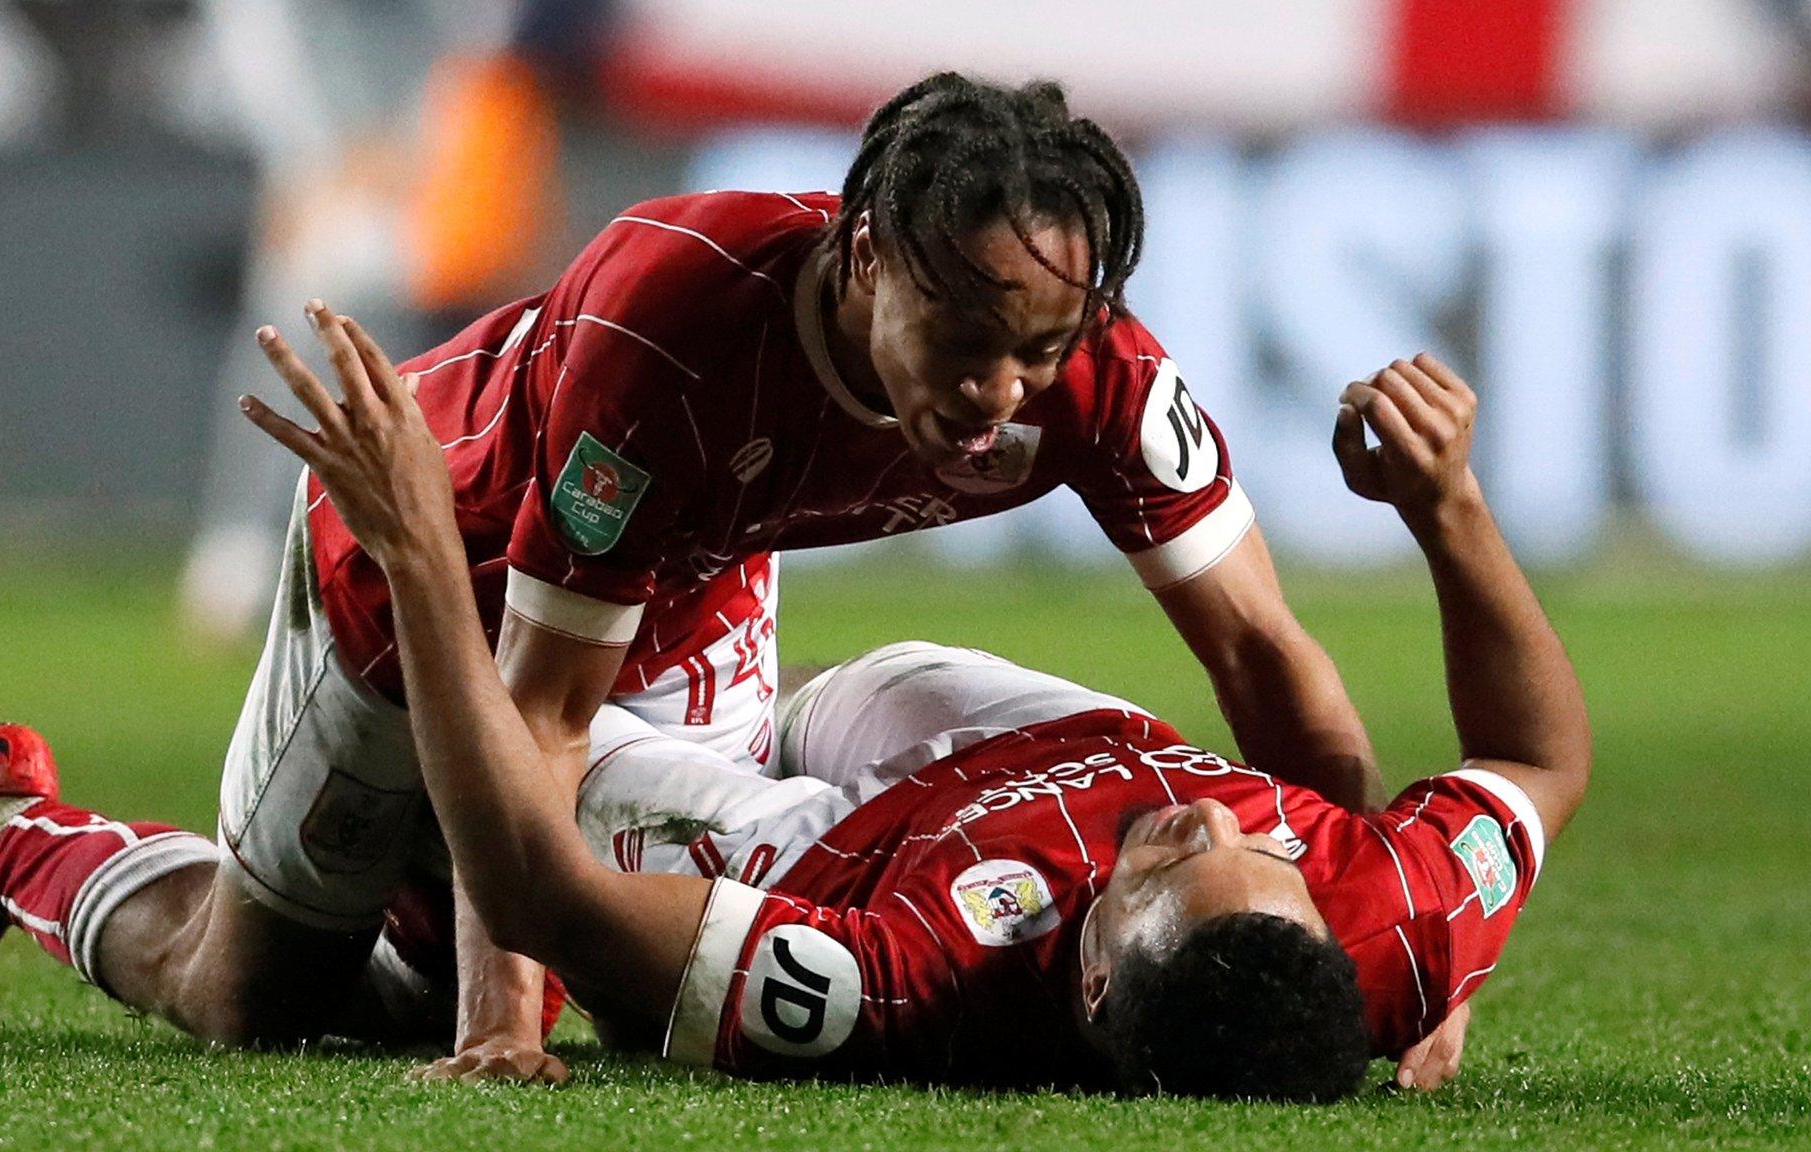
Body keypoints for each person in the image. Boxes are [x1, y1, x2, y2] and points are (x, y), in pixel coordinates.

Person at [0, 73, 1380, 1082]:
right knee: (247, 997)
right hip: (421, 564)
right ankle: (5, 834)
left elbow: (1264, 662)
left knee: (606, 967)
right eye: (965, 338)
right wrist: (496, 1024)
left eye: (1038, 348)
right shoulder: (676, 332)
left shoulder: (1094, 379)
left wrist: (1370, 964)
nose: (1001, 389)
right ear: (861, 260)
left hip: (691, 584)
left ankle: (412, 921)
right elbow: (542, 710)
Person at [232, 336, 1586, 1097]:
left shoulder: (895, 985)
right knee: (899, 686)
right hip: (1019, 741)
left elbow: (541, 891)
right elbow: (1540, 755)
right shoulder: (1395, 921)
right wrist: (1449, 509)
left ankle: (389, 866)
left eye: (1172, 863)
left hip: (836, 854)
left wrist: (418, 552)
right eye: (1263, 846)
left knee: (558, 784)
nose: (1203, 812)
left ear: (1096, 978)